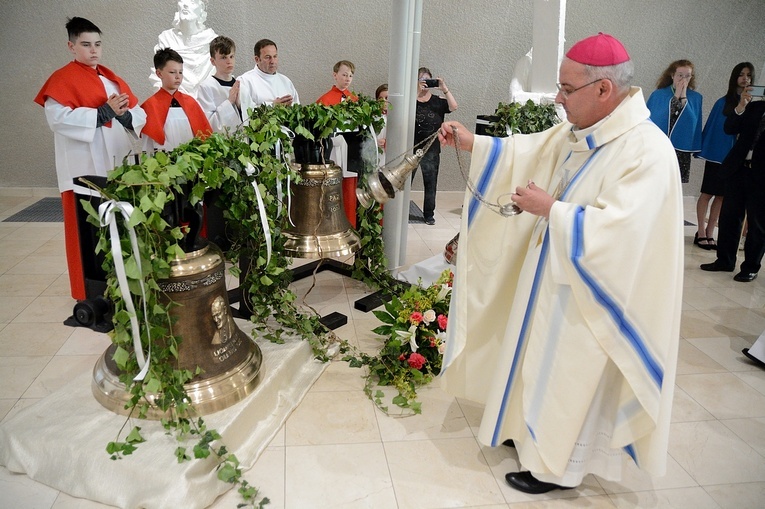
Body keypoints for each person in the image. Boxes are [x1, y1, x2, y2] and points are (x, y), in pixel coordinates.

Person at [438, 33, 683, 494]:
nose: (558, 98)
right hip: (552, 280)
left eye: (567, 89)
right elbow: (531, 150)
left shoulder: (646, 151)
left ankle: (557, 468)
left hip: (592, 297)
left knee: (571, 375)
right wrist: (474, 145)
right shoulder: (585, 131)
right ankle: (526, 437)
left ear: (604, 90)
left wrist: (553, 210)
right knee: (538, 363)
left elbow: (625, 234)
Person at [34, 16, 146, 301]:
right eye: (86, 45)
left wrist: (124, 115)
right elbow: (58, 120)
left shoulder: (112, 80)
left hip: (115, 163)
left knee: (118, 225)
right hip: (83, 165)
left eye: (97, 44)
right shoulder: (61, 80)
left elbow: (138, 116)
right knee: (91, 230)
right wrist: (102, 113)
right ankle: (94, 292)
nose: (93, 51)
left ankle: (124, 283)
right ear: (71, 46)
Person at [700, 84, 765, 282]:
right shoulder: (755, 107)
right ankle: (725, 260)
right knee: (729, 216)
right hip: (739, 168)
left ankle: (750, 267)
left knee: (758, 222)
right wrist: (741, 106)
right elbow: (729, 128)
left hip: (762, 175)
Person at [694, 63, 755, 250]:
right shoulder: (723, 102)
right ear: (734, 77)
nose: (745, 78)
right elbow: (717, 129)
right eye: (741, 74)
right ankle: (701, 232)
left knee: (721, 197)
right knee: (707, 193)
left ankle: (711, 232)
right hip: (717, 156)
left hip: (736, 160)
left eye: (748, 75)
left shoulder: (755, 103)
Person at [141, 48, 212, 152]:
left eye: (181, 72)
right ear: (159, 74)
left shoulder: (191, 103)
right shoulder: (150, 106)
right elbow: (149, 145)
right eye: (172, 72)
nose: (178, 77)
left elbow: (204, 137)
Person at [646, 59, 703, 183]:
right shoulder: (659, 95)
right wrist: (676, 96)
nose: (683, 79)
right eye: (680, 75)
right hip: (659, 147)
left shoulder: (696, 98)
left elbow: (693, 122)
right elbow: (656, 118)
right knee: (656, 182)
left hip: (681, 148)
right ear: (672, 75)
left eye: (687, 76)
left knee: (674, 184)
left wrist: (683, 97)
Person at [414, 67, 458, 225]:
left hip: (432, 149)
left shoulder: (438, 101)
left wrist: (444, 89)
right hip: (411, 148)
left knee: (431, 182)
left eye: (427, 80)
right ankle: (401, 210)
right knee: (405, 181)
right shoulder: (410, 100)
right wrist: (416, 93)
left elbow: (453, 106)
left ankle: (428, 214)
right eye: (420, 79)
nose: (424, 83)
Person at [150, 0, 218, 98]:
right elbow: (157, 75)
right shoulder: (166, 38)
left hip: (207, 101)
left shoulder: (211, 41)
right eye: (182, 1)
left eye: (192, 2)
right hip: (172, 101)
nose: (185, 5)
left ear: (201, 9)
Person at [238, 39, 300, 119]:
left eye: (275, 56)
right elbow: (245, 112)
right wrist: (272, 106)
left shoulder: (286, 81)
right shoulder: (245, 81)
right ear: (257, 59)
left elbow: (297, 109)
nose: (272, 61)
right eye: (268, 57)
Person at [196, 35, 242, 132]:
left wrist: (240, 106)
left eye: (231, 56)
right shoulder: (206, 87)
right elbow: (208, 124)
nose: (229, 61)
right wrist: (229, 102)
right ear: (213, 61)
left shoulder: (241, 84)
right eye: (224, 57)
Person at [375, 83, 389, 167]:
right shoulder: (373, 117)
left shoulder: (396, 117)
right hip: (376, 156)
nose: (383, 101)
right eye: (380, 98)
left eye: (387, 98)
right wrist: (375, 142)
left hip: (390, 156)